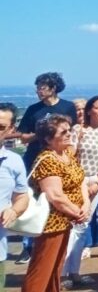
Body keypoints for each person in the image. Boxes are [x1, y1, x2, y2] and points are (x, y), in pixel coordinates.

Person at [22, 115, 87, 292]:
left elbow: (80, 179)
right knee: (41, 270)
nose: (69, 134)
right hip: (51, 223)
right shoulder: (48, 160)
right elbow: (55, 195)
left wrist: (85, 205)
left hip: (65, 221)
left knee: (55, 268)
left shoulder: (66, 154)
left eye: (69, 130)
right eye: (63, 132)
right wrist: (78, 212)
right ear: (48, 139)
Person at [65, 95, 98, 283]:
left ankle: (74, 272)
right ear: (89, 110)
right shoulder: (78, 130)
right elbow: (70, 156)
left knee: (82, 225)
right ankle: (64, 273)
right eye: (97, 107)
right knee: (72, 225)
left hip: (97, 180)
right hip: (77, 181)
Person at [0, 104, 30, 291]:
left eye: (1, 127)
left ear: (11, 129)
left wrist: (14, 210)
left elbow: (22, 197)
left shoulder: (14, 161)